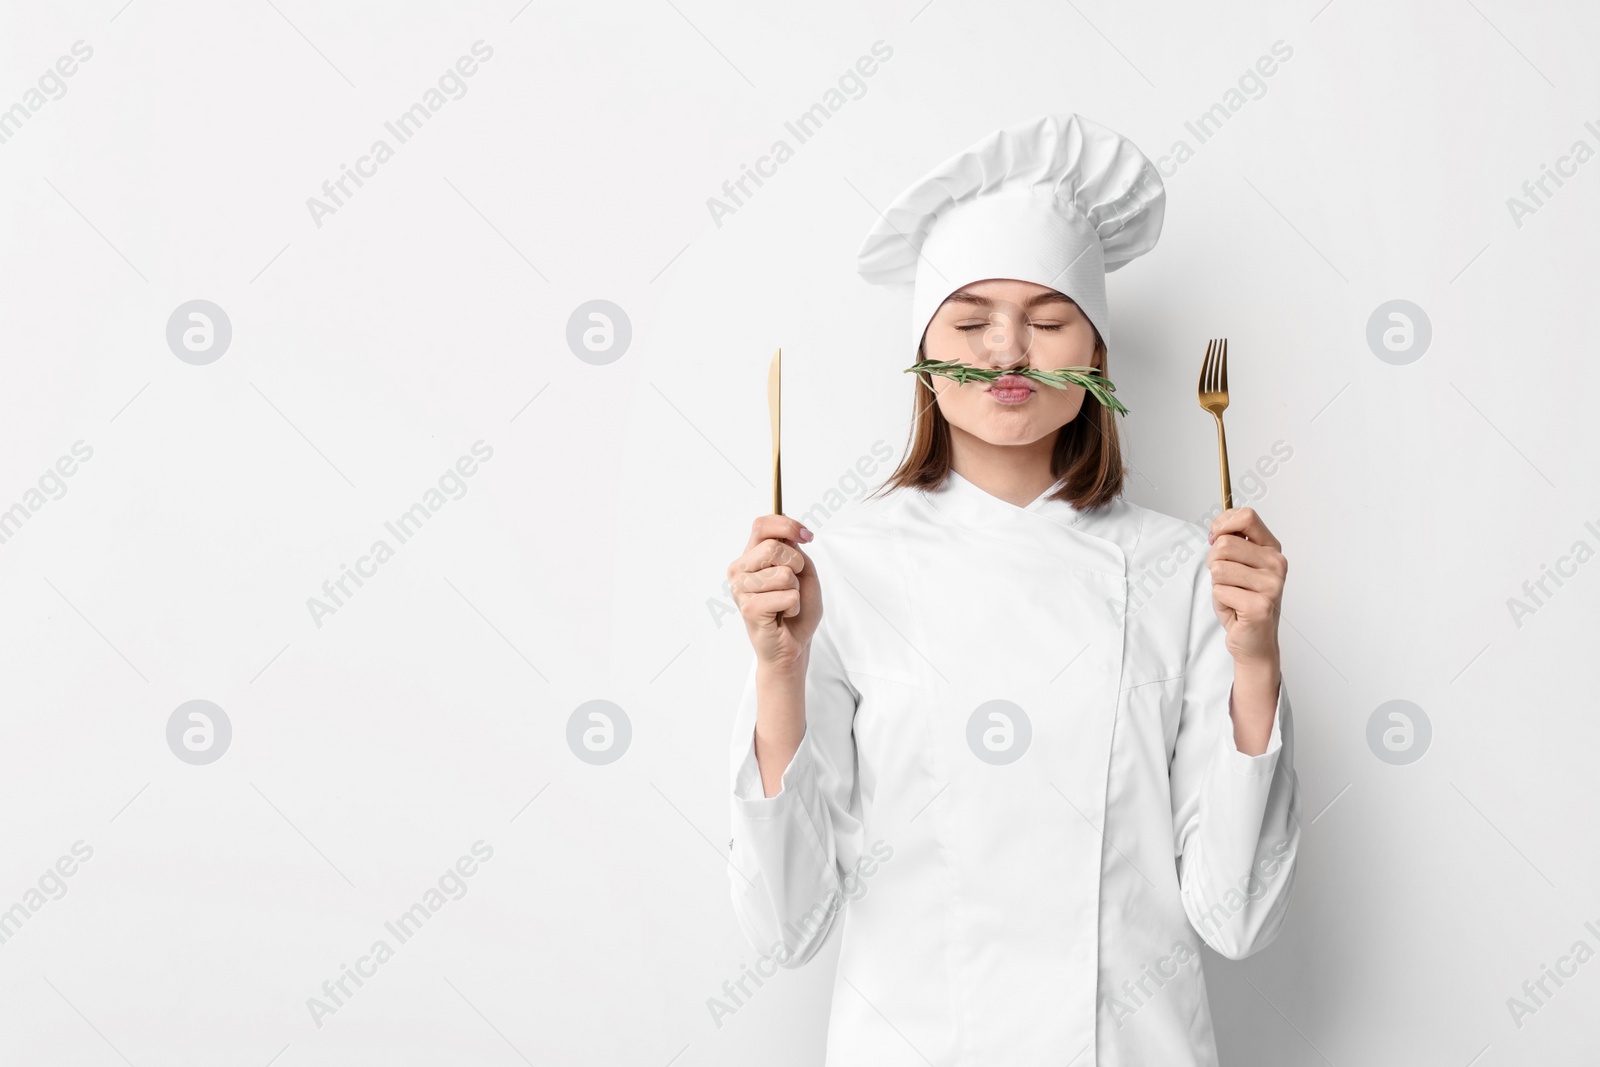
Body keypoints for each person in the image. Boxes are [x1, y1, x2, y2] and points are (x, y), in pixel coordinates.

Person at [723, 113, 1301, 1066]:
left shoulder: (1182, 574)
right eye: (970, 320)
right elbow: (784, 927)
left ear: (1097, 358)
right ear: (925, 357)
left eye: (1046, 320)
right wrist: (780, 671)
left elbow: (1236, 916)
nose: (1006, 353)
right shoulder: (836, 572)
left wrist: (1256, 661)